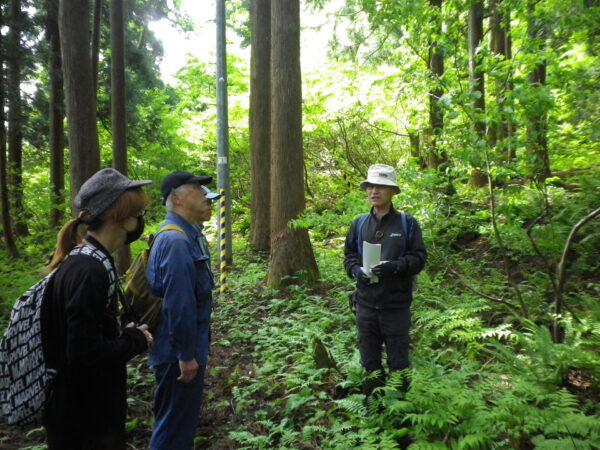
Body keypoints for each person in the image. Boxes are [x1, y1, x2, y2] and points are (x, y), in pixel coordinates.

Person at [41, 168, 154, 449]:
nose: (141, 221)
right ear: (117, 216)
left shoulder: (86, 258)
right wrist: (136, 339)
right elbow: (84, 354)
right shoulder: (90, 271)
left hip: (81, 413)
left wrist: (121, 334)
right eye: (137, 213)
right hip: (85, 421)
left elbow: (86, 336)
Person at [147, 171, 221, 450]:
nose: (206, 195)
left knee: (179, 423)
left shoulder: (191, 235)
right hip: (176, 354)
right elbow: (179, 305)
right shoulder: (176, 241)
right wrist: (186, 355)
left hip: (182, 349)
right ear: (176, 198)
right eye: (197, 189)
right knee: (173, 429)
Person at [343, 164, 427, 396]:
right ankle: (374, 406)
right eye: (370, 186)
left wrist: (396, 267)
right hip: (366, 304)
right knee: (369, 362)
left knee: (399, 363)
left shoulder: (407, 224)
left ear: (392, 191)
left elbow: (419, 258)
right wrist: (355, 270)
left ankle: (400, 413)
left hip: (396, 306)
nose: (374, 191)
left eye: (381, 186)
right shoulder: (359, 223)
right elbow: (349, 256)